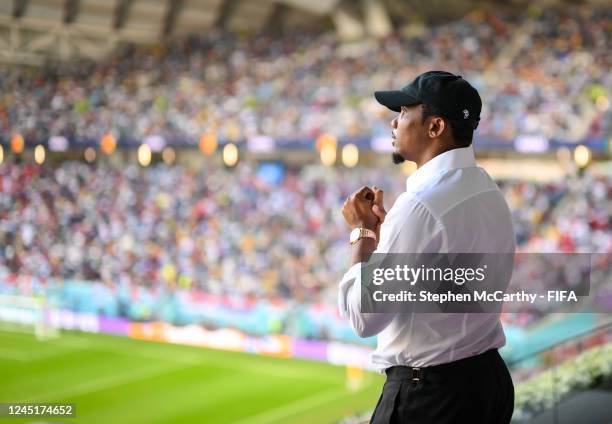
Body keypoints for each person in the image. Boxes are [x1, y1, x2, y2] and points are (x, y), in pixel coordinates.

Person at [339, 71, 516, 423]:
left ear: (435, 127)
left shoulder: (419, 205)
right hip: (486, 380)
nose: (394, 121)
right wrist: (393, 234)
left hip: (432, 395)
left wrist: (363, 234)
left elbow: (364, 318)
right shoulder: (486, 189)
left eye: (404, 112)